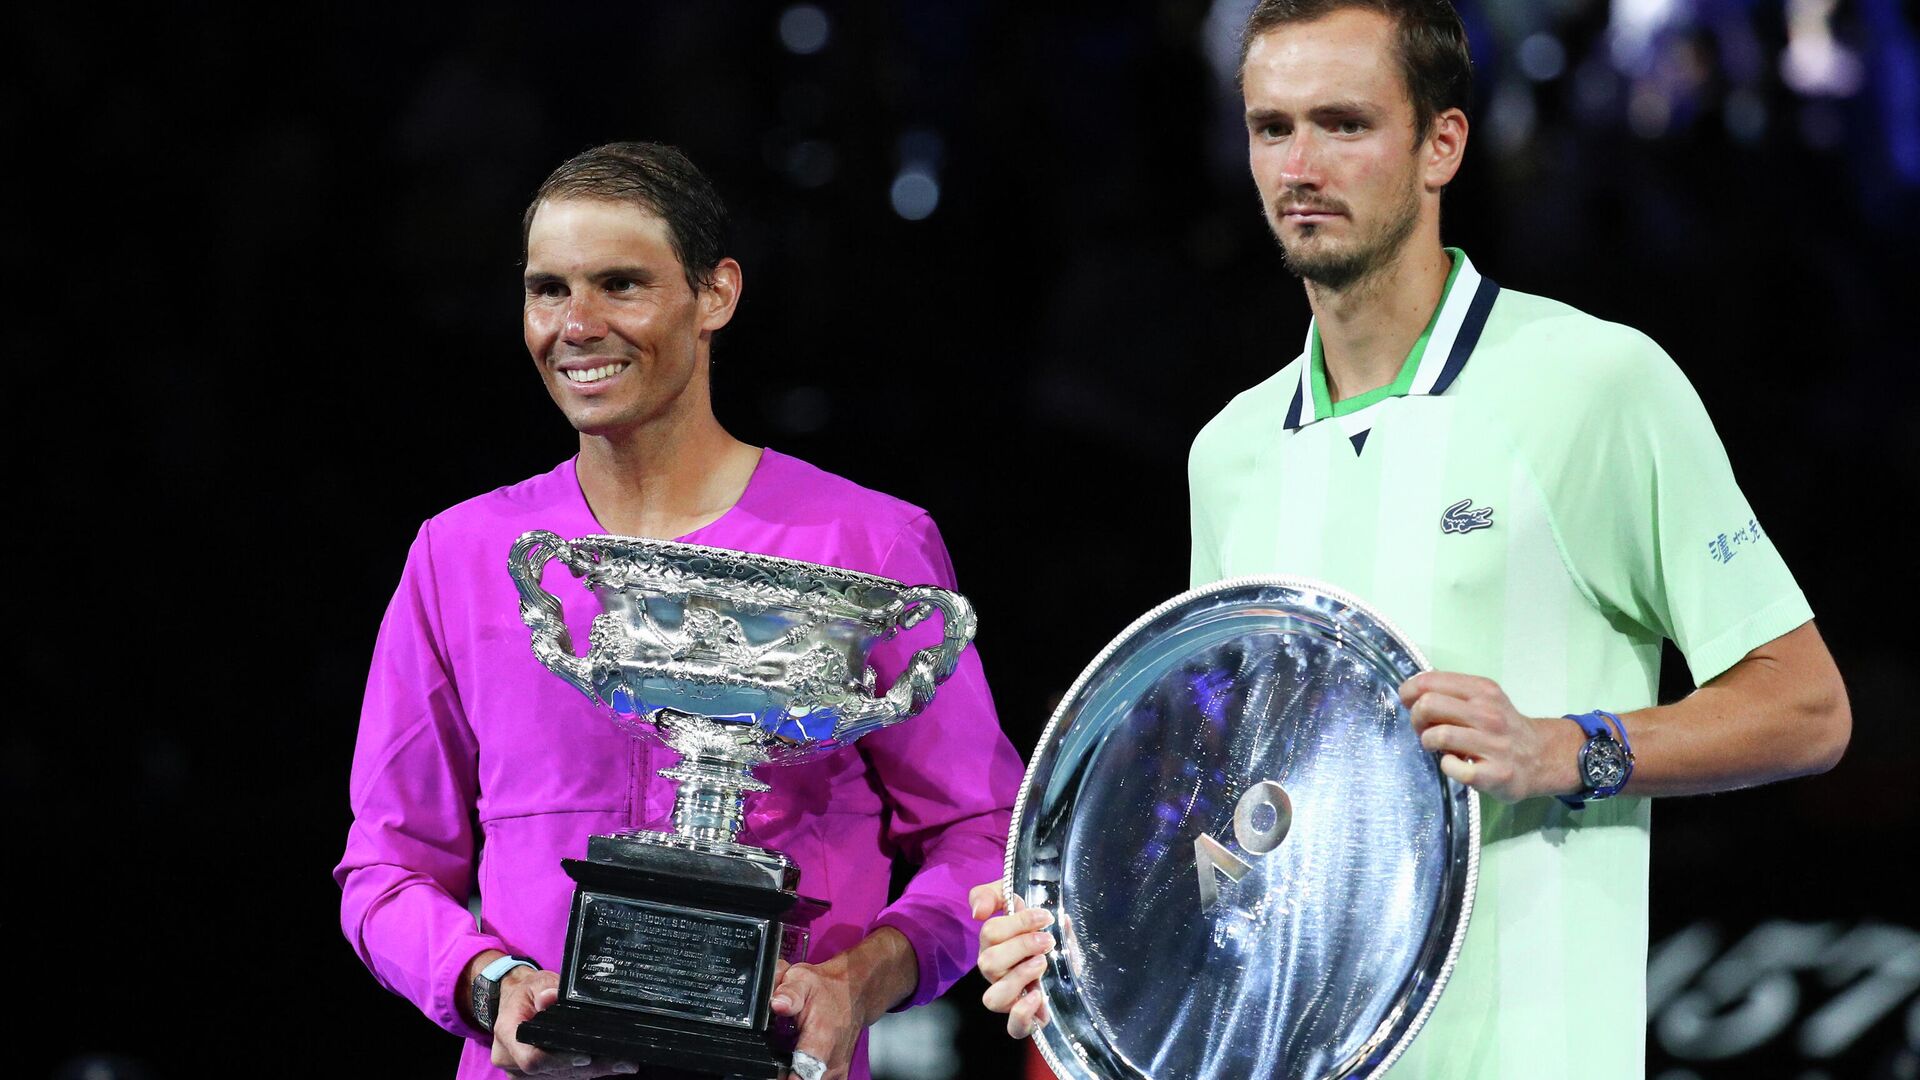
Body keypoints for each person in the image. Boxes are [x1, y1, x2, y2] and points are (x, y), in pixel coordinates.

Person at [970, 2, 1850, 1076]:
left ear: (1443, 144)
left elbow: (1808, 708)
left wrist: (1564, 748)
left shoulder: (1595, 383)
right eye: (1272, 126)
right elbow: (1240, 819)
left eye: (1344, 124)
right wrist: (1083, 941)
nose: (1300, 164)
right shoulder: (1231, 451)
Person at [336, 141, 1024, 1080]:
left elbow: (980, 835)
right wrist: (486, 983)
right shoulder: (460, 557)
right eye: (547, 290)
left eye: (620, 284)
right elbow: (385, 864)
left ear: (717, 295)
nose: (576, 325)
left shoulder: (868, 544)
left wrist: (860, 981)